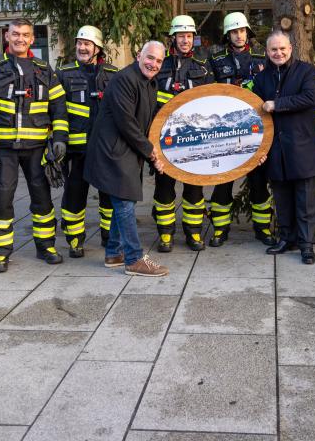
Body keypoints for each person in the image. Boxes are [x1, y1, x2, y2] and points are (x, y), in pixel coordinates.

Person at [0, 19, 68, 273]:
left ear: (32, 39)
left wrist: (59, 138)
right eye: (15, 34)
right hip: (4, 149)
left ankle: (46, 246)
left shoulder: (44, 69)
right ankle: (1, 253)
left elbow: (58, 107)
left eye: (25, 35)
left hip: (37, 148)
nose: (20, 39)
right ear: (7, 36)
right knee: (2, 198)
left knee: (42, 198)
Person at [84, 41, 170, 276]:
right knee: (124, 202)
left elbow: (149, 120)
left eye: (159, 61)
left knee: (125, 201)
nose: (153, 64)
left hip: (127, 150)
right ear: (139, 55)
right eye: (150, 57)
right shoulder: (125, 79)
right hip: (112, 150)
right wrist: (151, 152)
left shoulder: (150, 83)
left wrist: (157, 153)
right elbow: (127, 123)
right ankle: (133, 258)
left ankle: (114, 253)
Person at [251, 30, 315, 265]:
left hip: (301, 146)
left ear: (290, 48)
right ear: (267, 52)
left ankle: (306, 245)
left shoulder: (306, 71)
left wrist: (277, 104)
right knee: (281, 198)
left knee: (304, 200)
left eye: (282, 48)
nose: (278, 53)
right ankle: (286, 238)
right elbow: (256, 116)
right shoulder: (261, 80)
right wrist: (259, 150)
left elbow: (310, 98)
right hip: (275, 148)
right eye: (273, 49)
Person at [207, 11, 276, 247]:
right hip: (225, 131)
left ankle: (263, 229)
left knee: (258, 182)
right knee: (223, 181)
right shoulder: (216, 60)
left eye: (242, 31)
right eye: (234, 31)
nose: (239, 35)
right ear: (228, 35)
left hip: (255, 130)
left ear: (248, 32)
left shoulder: (262, 57)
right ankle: (219, 230)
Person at [152, 15, 213, 252]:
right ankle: (165, 235)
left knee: (194, 189)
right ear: (173, 38)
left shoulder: (203, 67)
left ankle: (194, 233)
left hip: (194, 139)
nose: (186, 40)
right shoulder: (160, 65)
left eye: (189, 36)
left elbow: (212, 104)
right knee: (164, 188)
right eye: (181, 36)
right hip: (164, 139)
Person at [57, 25, 118, 256]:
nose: (82, 48)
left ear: (97, 48)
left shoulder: (112, 74)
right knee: (74, 194)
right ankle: (75, 239)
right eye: (80, 43)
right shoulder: (64, 74)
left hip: (104, 149)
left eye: (87, 44)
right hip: (76, 150)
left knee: (108, 196)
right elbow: (56, 111)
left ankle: (108, 235)